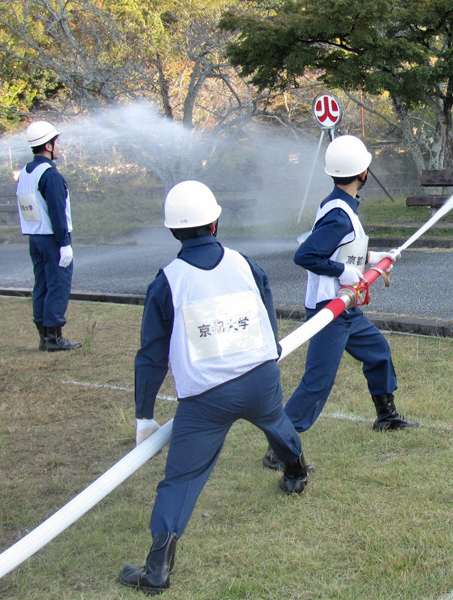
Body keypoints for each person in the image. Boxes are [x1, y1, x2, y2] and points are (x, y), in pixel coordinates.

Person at [119, 181, 308, 595]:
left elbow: (151, 356)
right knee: (275, 421)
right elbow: (265, 305)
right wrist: (271, 347)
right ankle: (295, 472)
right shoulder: (243, 263)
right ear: (215, 222)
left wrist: (144, 415)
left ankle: (157, 569)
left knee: (182, 479)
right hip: (260, 378)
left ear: (173, 231)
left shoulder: (167, 282)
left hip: (205, 399)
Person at [263, 134, 419, 471]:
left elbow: (342, 249)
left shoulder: (340, 205)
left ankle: (386, 416)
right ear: (363, 173)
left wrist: (371, 258)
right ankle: (280, 447)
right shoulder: (338, 214)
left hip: (347, 309)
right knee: (318, 382)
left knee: (378, 352)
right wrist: (343, 272)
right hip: (329, 311)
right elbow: (306, 255)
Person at [16, 120, 81, 352]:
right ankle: (54, 338)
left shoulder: (25, 172)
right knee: (58, 286)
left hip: (35, 238)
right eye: (57, 142)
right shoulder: (50, 175)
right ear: (48, 145)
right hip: (53, 239)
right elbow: (57, 211)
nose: (59, 146)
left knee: (42, 285)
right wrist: (64, 243)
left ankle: (44, 336)